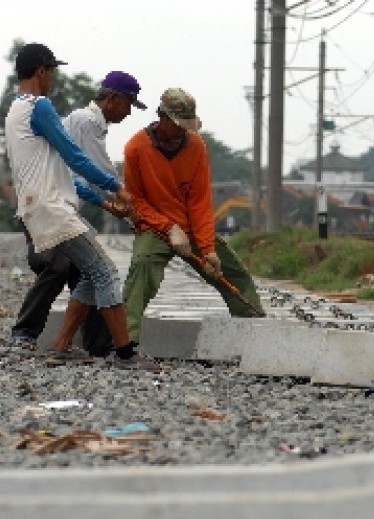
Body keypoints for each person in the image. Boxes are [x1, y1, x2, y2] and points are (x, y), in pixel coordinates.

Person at [4, 42, 160, 371]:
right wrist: (116, 187)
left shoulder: (15, 111)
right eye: (52, 73)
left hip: (38, 207)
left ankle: (61, 347)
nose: (53, 81)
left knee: (90, 272)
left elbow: (64, 175)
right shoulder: (39, 106)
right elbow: (75, 158)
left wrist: (102, 200)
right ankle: (126, 355)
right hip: (53, 210)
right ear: (42, 71)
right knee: (105, 272)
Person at [122, 87, 264, 344]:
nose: (182, 131)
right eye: (178, 125)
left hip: (191, 228)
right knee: (142, 267)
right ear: (162, 117)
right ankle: (125, 341)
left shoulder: (196, 146)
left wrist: (208, 249)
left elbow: (200, 201)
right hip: (154, 227)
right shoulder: (136, 148)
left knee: (233, 273)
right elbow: (135, 202)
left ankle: (256, 329)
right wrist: (167, 228)